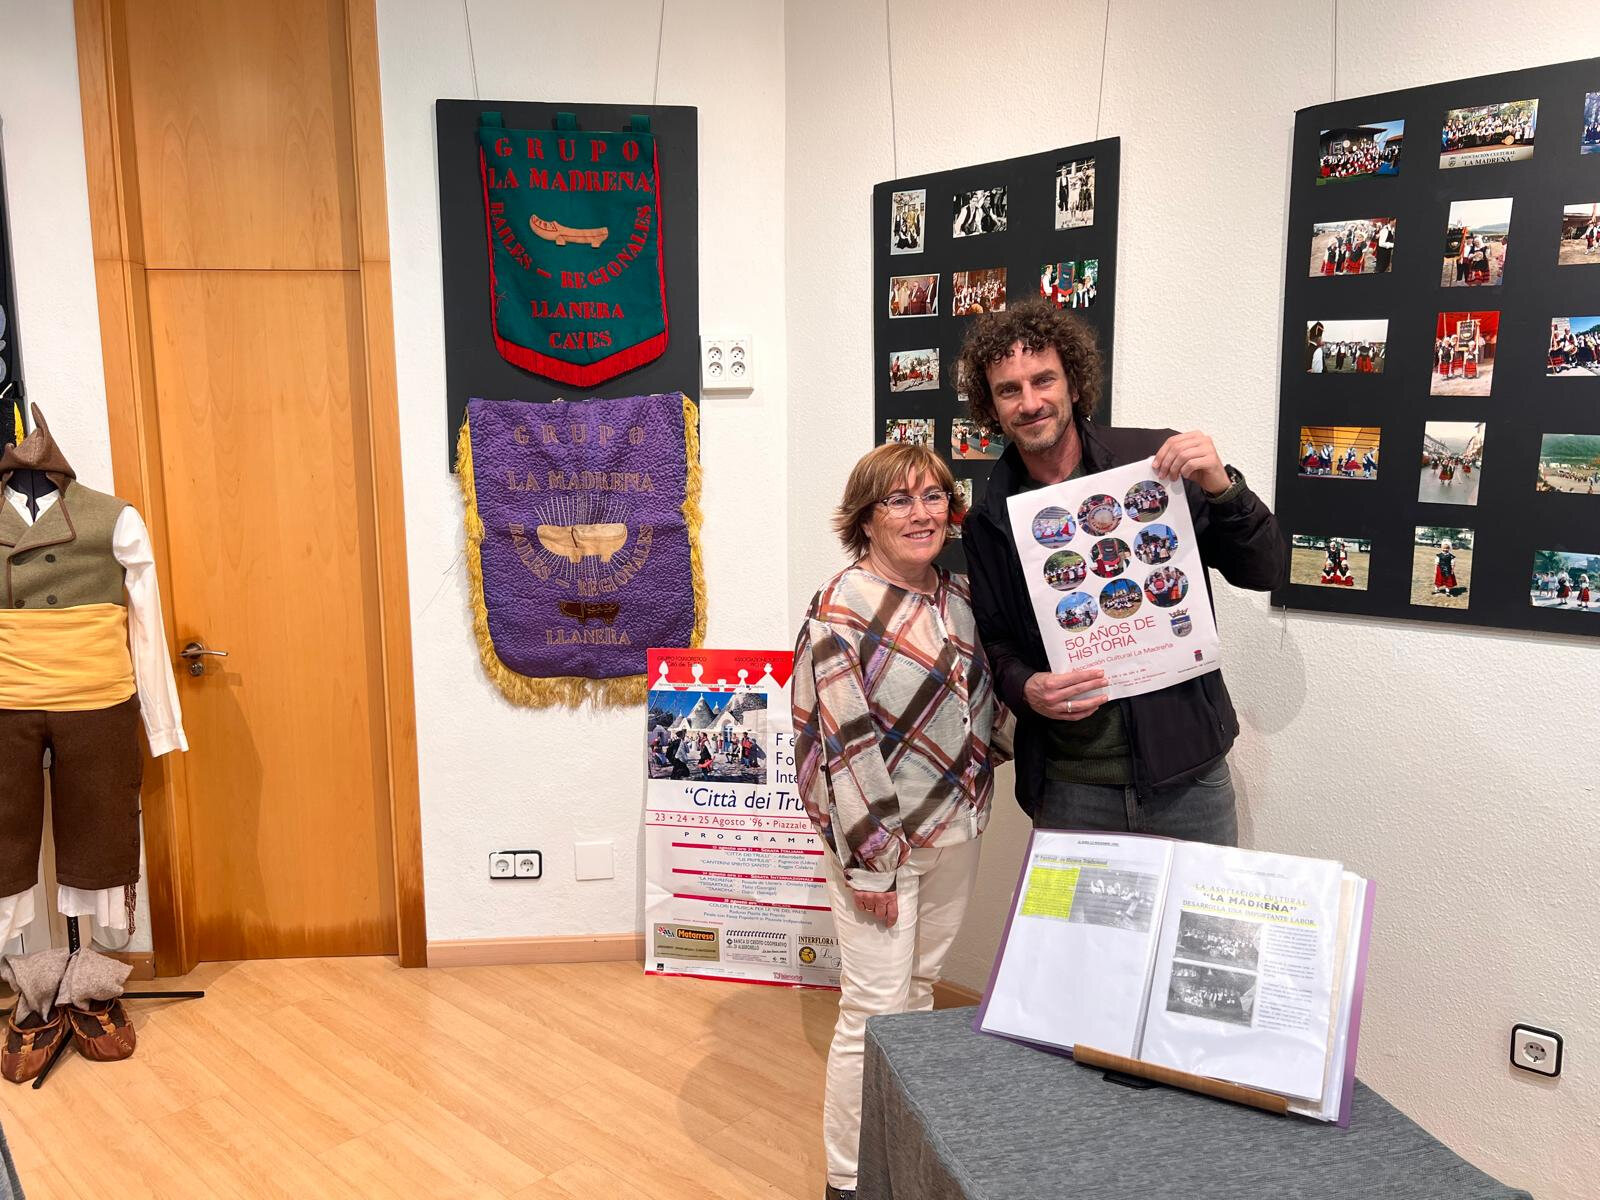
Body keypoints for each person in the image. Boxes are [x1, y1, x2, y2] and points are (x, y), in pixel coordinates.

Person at [957, 299, 1285, 844]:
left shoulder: (1153, 463)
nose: (1030, 403)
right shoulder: (989, 518)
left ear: (1074, 384)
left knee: (1200, 907)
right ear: (991, 406)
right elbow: (996, 641)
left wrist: (1222, 487)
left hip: (1188, 778)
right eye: (1009, 390)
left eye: (1044, 380)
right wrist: (1026, 687)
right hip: (1070, 787)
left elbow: (1266, 569)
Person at [792, 442, 1012, 1200]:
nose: (921, 514)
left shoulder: (958, 597)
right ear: (866, 517)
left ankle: (900, 1164)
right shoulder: (841, 608)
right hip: (882, 849)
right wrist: (871, 861)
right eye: (899, 499)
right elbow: (842, 743)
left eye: (933, 497)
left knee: (918, 995)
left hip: (955, 831)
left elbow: (981, 707)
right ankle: (850, 1181)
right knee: (873, 1012)